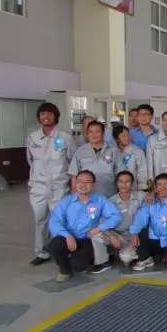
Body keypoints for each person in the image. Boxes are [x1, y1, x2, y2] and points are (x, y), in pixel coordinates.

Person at [47, 170, 121, 282]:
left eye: (87, 182)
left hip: (87, 239)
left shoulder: (100, 200)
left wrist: (99, 228)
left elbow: (116, 216)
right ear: (75, 183)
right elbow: (54, 221)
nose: (83, 185)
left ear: (93, 185)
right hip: (68, 237)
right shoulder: (66, 201)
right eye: (80, 181)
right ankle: (64, 270)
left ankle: (85, 257)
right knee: (54, 245)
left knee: (78, 266)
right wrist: (67, 235)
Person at [26, 102, 76, 266]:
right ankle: (42, 253)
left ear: (56, 116)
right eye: (42, 114)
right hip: (38, 187)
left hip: (59, 187)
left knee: (59, 220)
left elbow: (73, 162)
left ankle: (61, 251)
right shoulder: (32, 137)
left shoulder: (65, 137)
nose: (45, 117)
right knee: (40, 220)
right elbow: (30, 160)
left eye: (49, 113)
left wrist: (71, 185)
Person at [90, 171, 144, 273]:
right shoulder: (111, 201)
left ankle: (130, 253)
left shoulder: (140, 196)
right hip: (118, 234)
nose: (124, 185)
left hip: (135, 236)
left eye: (127, 181)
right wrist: (111, 237)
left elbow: (155, 195)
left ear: (132, 184)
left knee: (126, 257)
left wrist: (152, 195)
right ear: (116, 184)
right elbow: (101, 223)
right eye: (121, 181)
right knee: (96, 236)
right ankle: (103, 262)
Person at [129, 173, 167, 271]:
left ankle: (165, 256)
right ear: (155, 187)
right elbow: (141, 217)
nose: (162, 187)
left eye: (166, 184)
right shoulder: (150, 201)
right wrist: (134, 232)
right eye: (159, 184)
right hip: (152, 240)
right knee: (140, 230)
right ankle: (146, 258)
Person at [69, 121, 119, 197]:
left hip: (110, 196)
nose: (94, 135)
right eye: (91, 132)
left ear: (103, 133)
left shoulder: (114, 150)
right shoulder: (80, 151)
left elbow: (121, 173)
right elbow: (74, 175)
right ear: (87, 134)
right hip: (86, 197)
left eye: (97, 131)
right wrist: (74, 195)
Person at [112, 125, 148, 190]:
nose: (127, 138)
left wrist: (142, 188)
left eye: (128, 135)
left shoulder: (137, 151)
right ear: (116, 139)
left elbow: (142, 171)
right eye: (123, 136)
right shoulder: (112, 151)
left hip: (132, 189)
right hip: (115, 189)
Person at [146, 110, 167, 178]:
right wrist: (151, 180)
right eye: (164, 120)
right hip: (159, 178)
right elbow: (149, 163)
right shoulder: (152, 139)